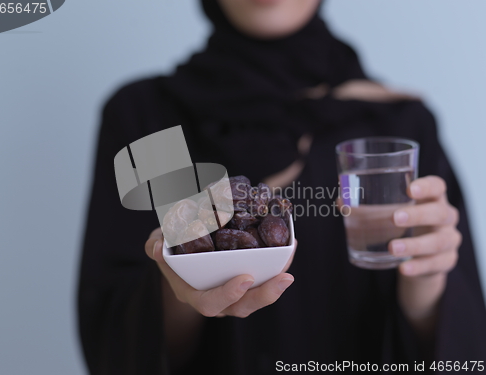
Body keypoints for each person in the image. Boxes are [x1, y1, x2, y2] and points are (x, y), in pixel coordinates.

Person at [77, 1, 486, 374]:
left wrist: (426, 280)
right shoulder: (148, 117)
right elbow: (112, 341)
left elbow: (464, 349)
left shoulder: (397, 124)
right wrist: (179, 286)